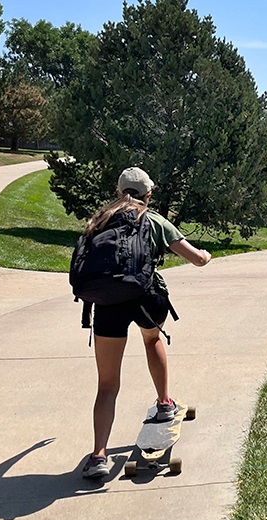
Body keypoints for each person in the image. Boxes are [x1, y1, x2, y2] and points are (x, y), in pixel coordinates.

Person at [81, 167, 211, 478]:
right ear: (148, 195)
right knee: (152, 339)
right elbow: (194, 257)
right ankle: (164, 403)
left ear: (118, 192)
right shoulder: (153, 220)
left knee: (107, 385)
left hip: (108, 303)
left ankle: (99, 455)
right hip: (146, 299)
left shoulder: (99, 220)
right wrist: (205, 256)